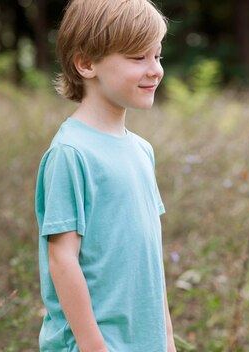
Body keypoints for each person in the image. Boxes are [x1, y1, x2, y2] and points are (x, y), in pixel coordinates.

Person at [34, 0, 176, 350]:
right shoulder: (71, 153)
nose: (154, 70)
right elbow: (62, 259)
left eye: (157, 56)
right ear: (86, 63)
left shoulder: (142, 150)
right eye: (137, 57)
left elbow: (148, 259)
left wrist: (167, 339)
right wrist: (93, 345)